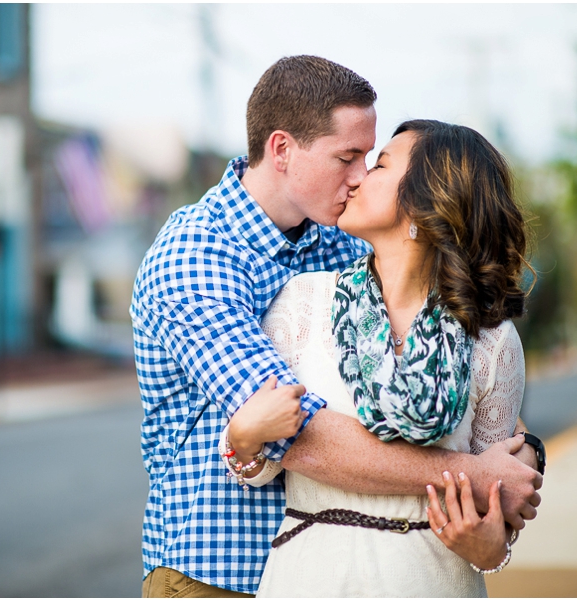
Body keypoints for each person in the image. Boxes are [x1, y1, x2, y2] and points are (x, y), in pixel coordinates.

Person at [130, 55, 543, 598]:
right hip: (216, 574)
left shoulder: (341, 241)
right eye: (347, 157)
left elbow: (488, 418)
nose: (359, 177)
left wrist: (525, 454)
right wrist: (479, 473)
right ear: (282, 150)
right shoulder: (195, 255)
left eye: (370, 160)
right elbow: (299, 435)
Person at [224, 119, 531, 596]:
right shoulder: (303, 304)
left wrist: (493, 548)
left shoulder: (491, 340)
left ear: (424, 205)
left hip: (433, 581)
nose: (360, 176)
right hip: (311, 577)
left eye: (380, 164)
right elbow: (269, 458)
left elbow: (500, 497)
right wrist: (242, 445)